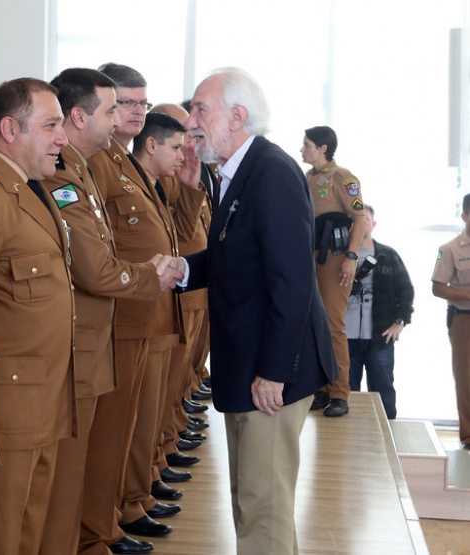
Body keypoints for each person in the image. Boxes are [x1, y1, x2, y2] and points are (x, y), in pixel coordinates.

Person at [169, 67, 336, 554]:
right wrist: (183, 268)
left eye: (200, 110)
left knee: (262, 508)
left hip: (271, 372)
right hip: (248, 364)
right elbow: (236, 256)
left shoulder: (271, 173)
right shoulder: (237, 171)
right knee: (256, 505)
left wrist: (273, 372)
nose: (190, 122)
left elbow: (292, 282)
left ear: (236, 116)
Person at [38, 68, 173, 555]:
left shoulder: (86, 166)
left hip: (108, 325)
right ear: (80, 117)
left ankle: (101, 529)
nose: (123, 118)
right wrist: (149, 278)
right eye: (114, 108)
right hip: (86, 334)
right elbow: (94, 266)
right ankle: (92, 536)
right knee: (74, 463)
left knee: (103, 446)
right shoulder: (67, 172)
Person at [0, 77, 75, 555]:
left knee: (27, 528)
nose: (62, 138)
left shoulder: (30, 188)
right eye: (50, 125)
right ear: (10, 129)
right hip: (5, 405)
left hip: (43, 398)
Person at [80, 63, 182, 555]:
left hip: (143, 311)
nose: (137, 111)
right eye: (125, 103)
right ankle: (101, 527)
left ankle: (120, 511)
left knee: (128, 427)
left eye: (143, 103)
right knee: (111, 433)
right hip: (119, 315)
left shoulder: (123, 160)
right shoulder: (98, 163)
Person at [132, 111, 210, 489]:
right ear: (152, 144)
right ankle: (139, 485)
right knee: (143, 407)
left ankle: (153, 466)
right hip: (142, 306)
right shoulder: (125, 177)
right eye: (178, 145)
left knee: (162, 394)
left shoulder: (162, 180)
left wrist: (191, 188)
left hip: (173, 295)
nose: (185, 153)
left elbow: (181, 233)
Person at [302, 125, 366, 417]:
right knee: (314, 323)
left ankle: (340, 392)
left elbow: (359, 219)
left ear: (322, 148)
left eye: (307, 144)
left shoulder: (343, 177)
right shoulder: (309, 177)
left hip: (336, 258)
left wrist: (351, 257)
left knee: (332, 323)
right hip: (311, 256)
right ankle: (323, 387)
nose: (302, 149)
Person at [345, 204, 413, 419]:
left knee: (383, 389)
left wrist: (400, 322)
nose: (360, 223)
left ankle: (388, 430)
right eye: (356, 219)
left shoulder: (388, 255)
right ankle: (348, 433)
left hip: (380, 336)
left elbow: (406, 291)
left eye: (365, 219)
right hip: (344, 337)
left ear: (373, 224)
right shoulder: (338, 255)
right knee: (345, 392)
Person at [432, 193, 470, 450]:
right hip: (464, 320)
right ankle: (469, 437)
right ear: (465, 216)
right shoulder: (450, 248)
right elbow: (438, 288)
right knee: (466, 379)